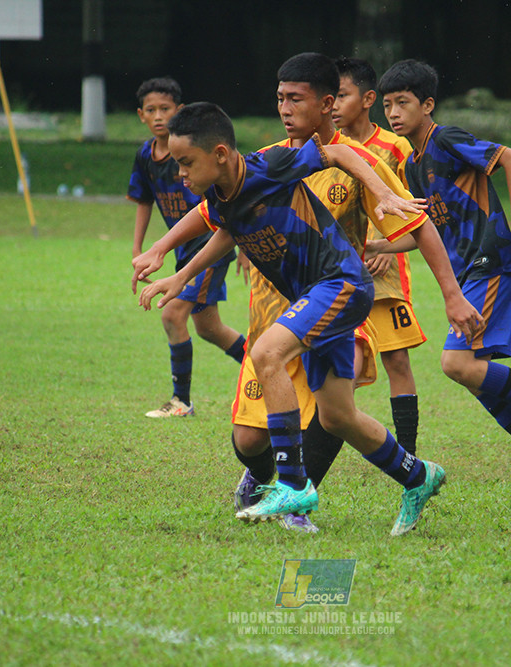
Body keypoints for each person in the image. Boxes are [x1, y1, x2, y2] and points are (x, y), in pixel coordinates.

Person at [133, 101, 481, 535]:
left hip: (340, 284)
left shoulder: (269, 164)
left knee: (266, 353)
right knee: (337, 416)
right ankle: (418, 476)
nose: (179, 172)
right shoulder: (222, 192)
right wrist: (176, 270)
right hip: (316, 296)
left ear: (219, 153)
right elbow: (224, 228)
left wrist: (383, 192)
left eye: (186, 162)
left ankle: (294, 484)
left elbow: (339, 153)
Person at [231, 52, 436, 534]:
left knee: (330, 399)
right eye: (280, 98)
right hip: (274, 306)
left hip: (336, 298)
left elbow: (419, 224)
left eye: (295, 98)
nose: (285, 108)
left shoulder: (365, 157)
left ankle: (296, 497)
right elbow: (219, 216)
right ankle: (417, 475)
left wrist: (449, 293)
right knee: (259, 437)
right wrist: (179, 264)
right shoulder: (269, 160)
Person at [374, 59, 511, 481]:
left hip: (490, 261)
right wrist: (376, 245)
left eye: (403, 103)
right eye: (388, 105)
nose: (393, 113)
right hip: (467, 273)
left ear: (427, 105)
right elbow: (426, 231)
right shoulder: (413, 164)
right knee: (475, 375)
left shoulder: (446, 139)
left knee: (456, 364)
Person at [127, 78, 245, 418]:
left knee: (172, 313)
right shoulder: (146, 156)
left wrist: (246, 246)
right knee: (209, 328)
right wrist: (138, 248)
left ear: (178, 112)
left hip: (211, 246)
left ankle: (181, 401)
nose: (158, 116)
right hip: (182, 250)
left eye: (165, 109)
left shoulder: (199, 156)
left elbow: (231, 205)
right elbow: (144, 200)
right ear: (141, 115)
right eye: (151, 110)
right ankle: (269, 364)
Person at [334, 56, 425, 456]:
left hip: (384, 275)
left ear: (367, 99)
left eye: (341, 95)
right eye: (330, 96)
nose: (333, 104)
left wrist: (387, 246)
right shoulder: (325, 148)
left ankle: (408, 456)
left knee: (397, 361)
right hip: (337, 274)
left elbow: (413, 206)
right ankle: (323, 437)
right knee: (342, 366)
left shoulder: (396, 148)